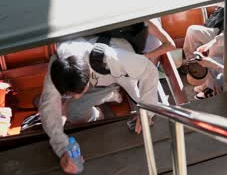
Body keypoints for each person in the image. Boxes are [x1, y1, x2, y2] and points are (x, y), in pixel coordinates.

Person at [39, 36, 160, 174]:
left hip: (119, 74)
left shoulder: (111, 57)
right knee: (71, 111)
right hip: (96, 79)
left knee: (145, 106)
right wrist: (62, 150)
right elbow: (47, 109)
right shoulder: (58, 68)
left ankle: (113, 93)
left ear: (87, 75)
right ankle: (100, 110)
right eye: (71, 94)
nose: (76, 97)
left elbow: (149, 71)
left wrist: (146, 113)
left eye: (78, 93)